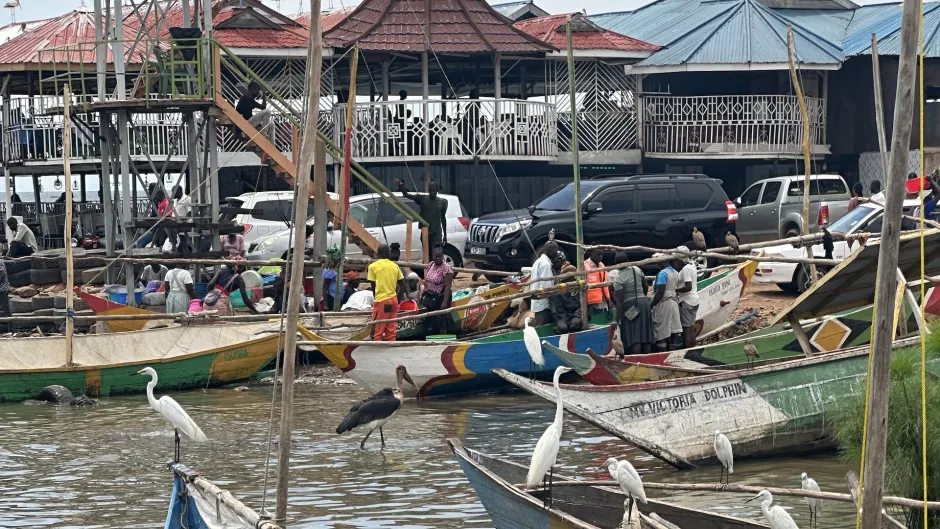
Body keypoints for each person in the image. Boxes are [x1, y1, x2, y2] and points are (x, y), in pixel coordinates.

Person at [610, 251, 653, 356]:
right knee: (645, 336)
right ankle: (649, 359)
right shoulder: (637, 269)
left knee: (635, 338)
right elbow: (645, 285)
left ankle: (637, 361)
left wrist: (616, 320)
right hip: (644, 303)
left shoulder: (618, 279)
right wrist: (642, 296)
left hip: (630, 306)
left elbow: (620, 302)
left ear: (616, 264)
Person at [395, 180, 448, 252]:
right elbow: (406, 195)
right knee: (426, 254)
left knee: (436, 253)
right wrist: (401, 186)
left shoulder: (443, 202)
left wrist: (445, 235)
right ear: (428, 190)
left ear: (437, 190)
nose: (432, 192)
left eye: (434, 190)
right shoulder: (422, 199)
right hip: (425, 232)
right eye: (430, 190)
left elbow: (443, 218)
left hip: (437, 233)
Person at [367, 244, 404, 341]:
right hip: (394, 300)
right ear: (388, 253)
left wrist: (376, 299)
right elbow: (402, 282)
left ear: (378, 254)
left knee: (377, 329)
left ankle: (376, 348)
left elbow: (373, 285)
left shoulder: (372, 267)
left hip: (382, 300)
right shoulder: (395, 266)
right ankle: (391, 345)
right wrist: (402, 297)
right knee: (391, 328)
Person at [650, 253, 682, 351]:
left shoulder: (663, 274)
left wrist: (651, 305)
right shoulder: (675, 273)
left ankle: (662, 352)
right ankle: (673, 351)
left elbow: (660, 292)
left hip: (664, 304)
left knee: (662, 331)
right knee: (673, 330)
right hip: (674, 303)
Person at [422, 246, 454, 333]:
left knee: (442, 322)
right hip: (431, 298)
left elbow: (448, 286)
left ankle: (442, 340)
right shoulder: (431, 265)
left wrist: (444, 302)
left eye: (440, 256)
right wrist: (423, 292)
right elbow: (427, 281)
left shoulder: (446, 268)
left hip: (441, 298)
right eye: (436, 256)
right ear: (433, 256)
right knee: (432, 321)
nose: (438, 258)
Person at [549, 250, 582, 332]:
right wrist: (564, 319)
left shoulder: (579, 286)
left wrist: (577, 314)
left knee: (575, 324)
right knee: (563, 327)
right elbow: (559, 308)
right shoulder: (559, 288)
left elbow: (583, 303)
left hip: (576, 314)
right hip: (563, 315)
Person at [674, 246, 700, 349]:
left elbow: (688, 286)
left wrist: (676, 290)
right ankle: (692, 348)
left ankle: (687, 350)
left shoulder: (685, 269)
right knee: (691, 327)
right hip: (694, 300)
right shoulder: (692, 265)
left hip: (687, 301)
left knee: (686, 330)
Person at [529, 241, 557, 326]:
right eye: (555, 251)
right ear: (550, 250)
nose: (556, 253)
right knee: (542, 328)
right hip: (543, 303)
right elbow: (547, 286)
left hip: (538, 301)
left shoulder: (538, 261)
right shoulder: (545, 264)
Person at [583, 247, 610, 318]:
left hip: (603, 302)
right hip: (590, 304)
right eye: (598, 254)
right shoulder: (584, 266)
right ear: (591, 254)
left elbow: (606, 283)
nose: (600, 257)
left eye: (601, 255)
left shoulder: (602, 265)